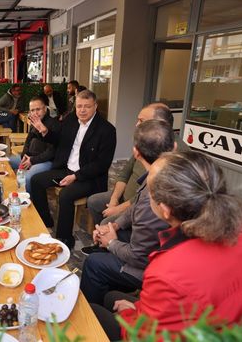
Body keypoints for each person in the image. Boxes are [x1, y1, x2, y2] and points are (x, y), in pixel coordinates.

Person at [92, 151, 242, 340]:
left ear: (165, 210)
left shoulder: (167, 271)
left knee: (94, 312)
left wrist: (130, 315)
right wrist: (142, 309)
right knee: (112, 297)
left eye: (149, 191)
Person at [80, 120, 173, 306]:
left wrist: (112, 243)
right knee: (109, 236)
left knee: (94, 264)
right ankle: (111, 285)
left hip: (153, 267)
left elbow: (138, 257)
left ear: (136, 153)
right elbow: (134, 207)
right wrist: (114, 225)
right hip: (156, 249)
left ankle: (93, 316)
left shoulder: (155, 194)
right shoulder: (167, 172)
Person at [83, 103, 189, 256]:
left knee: (107, 223)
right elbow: (124, 173)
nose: (136, 124)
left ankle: (111, 249)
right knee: (94, 201)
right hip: (131, 200)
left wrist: (118, 210)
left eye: (141, 120)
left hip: (141, 208)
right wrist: (114, 198)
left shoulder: (179, 157)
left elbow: (145, 200)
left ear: (160, 125)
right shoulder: (146, 142)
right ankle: (103, 244)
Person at [29, 90, 116, 249]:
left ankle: (64, 240)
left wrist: (76, 176)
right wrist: (45, 131)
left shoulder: (107, 130)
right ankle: (45, 222)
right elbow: (58, 140)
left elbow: (101, 164)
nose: (82, 110)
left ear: (95, 106)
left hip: (89, 177)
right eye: (79, 106)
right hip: (66, 169)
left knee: (66, 195)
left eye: (87, 106)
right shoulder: (71, 120)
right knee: (36, 180)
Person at [8, 95, 59, 192]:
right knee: (6, 161)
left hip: (45, 162)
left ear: (45, 109)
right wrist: (24, 155)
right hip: (30, 158)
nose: (35, 113)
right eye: (32, 110)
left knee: (27, 178)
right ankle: (9, 191)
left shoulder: (54, 124)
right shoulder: (34, 122)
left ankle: (28, 203)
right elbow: (28, 141)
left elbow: (51, 153)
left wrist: (32, 161)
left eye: (38, 109)